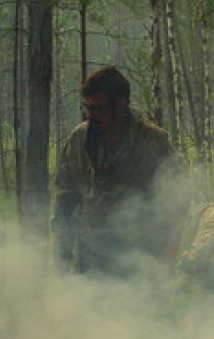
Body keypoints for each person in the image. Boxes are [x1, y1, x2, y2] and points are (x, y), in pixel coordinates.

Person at [51, 66, 185, 276]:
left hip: (140, 260)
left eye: (98, 108)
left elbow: (178, 205)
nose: (90, 115)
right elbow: (65, 202)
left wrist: (167, 257)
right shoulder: (79, 140)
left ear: (121, 104)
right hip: (90, 260)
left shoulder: (152, 142)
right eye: (86, 107)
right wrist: (61, 257)